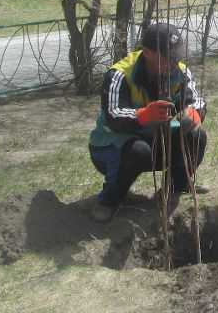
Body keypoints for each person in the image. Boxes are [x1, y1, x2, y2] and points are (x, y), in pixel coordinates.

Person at [88, 23, 208, 222]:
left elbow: (196, 100)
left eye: (176, 55)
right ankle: (109, 200)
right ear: (148, 53)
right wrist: (144, 115)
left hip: (156, 139)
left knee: (197, 136)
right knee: (138, 151)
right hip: (113, 146)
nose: (174, 61)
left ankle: (175, 189)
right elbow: (113, 116)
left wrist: (194, 113)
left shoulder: (180, 71)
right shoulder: (119, 74)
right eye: (168, 57)